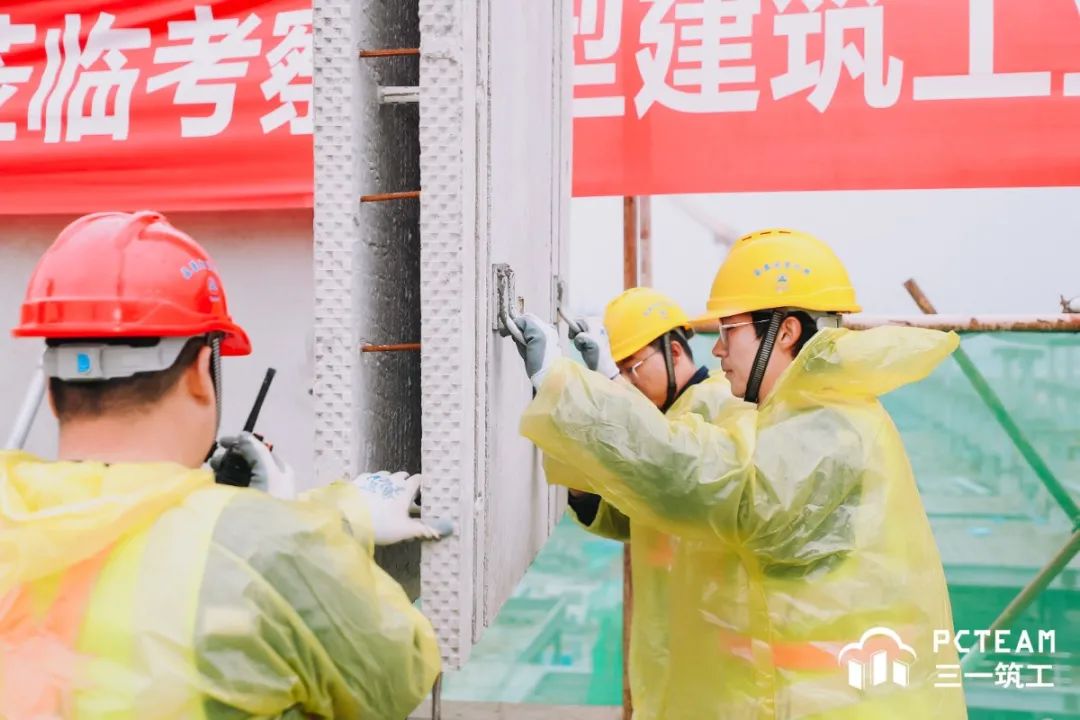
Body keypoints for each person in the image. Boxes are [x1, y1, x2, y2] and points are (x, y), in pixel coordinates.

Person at [0, 211, 445, 719]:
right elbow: (396, 674)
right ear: (199, 373)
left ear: (53, 392)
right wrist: (311, 534)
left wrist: (291, 525)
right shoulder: (271, 553)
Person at [514, 228, 968, 719]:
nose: (718, 349)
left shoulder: (828, 422)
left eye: (729, 330)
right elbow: (664, 502)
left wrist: (565, 390)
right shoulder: (797, 414)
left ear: (785, 332)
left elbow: (723, 486)